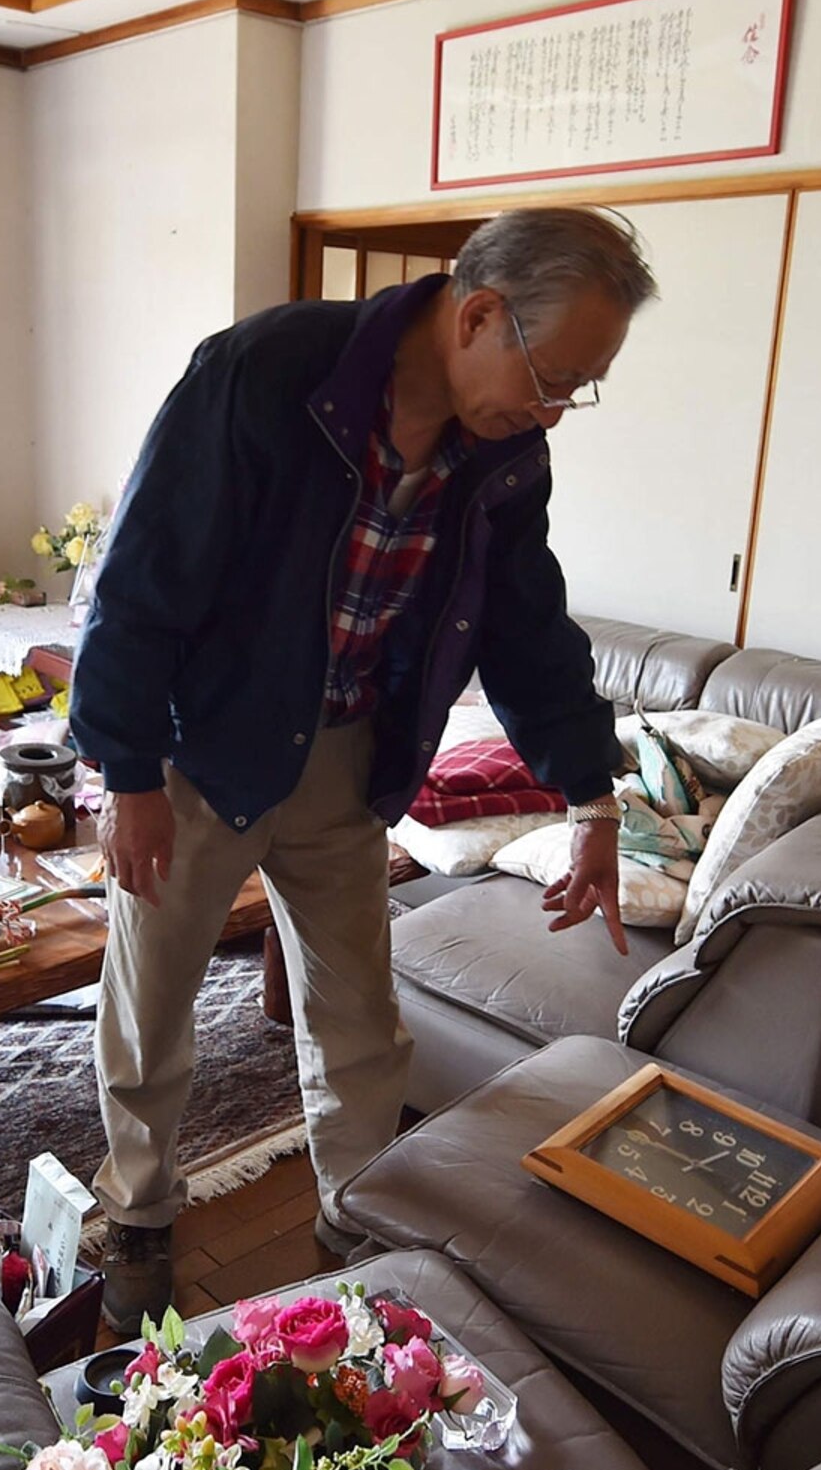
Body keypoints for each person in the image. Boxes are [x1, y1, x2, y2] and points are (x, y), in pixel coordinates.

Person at [70, 207, 659, 1330]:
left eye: (581, 388)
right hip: (205, 751)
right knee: (150, 1003)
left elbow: (528, 625)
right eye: (553, 377)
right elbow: (143, 575)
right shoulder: (266, 373)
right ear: (479, 312)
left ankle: (353, 1221)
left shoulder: (504, 451)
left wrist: (593, 793)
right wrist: (127, 770)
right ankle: (139, 1213)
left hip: (350, 760)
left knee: (358, 1018)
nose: (554, 411)